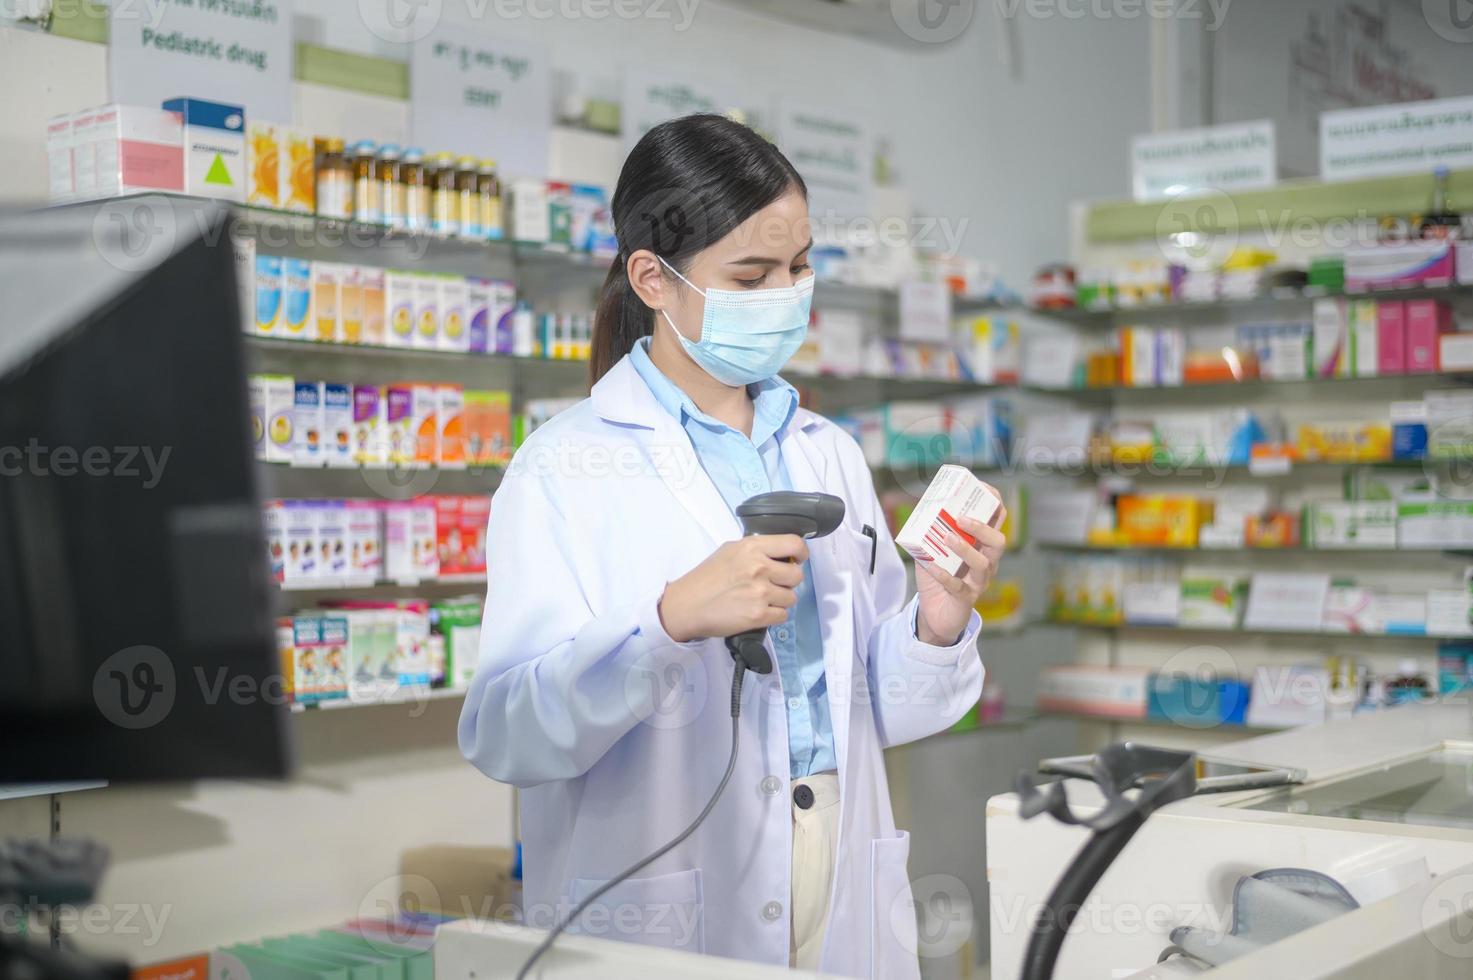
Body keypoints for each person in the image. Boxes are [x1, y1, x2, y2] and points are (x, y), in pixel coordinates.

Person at [459, 114, 1004, 979]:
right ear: (654, 278)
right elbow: (506, 735)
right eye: (750, 275)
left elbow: (876, 710)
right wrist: (667, 621)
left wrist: (933, 627)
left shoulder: (826, 449)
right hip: (669, 884)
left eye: (796, 267)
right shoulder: (563, 465)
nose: (785, 294)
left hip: (836, 853)